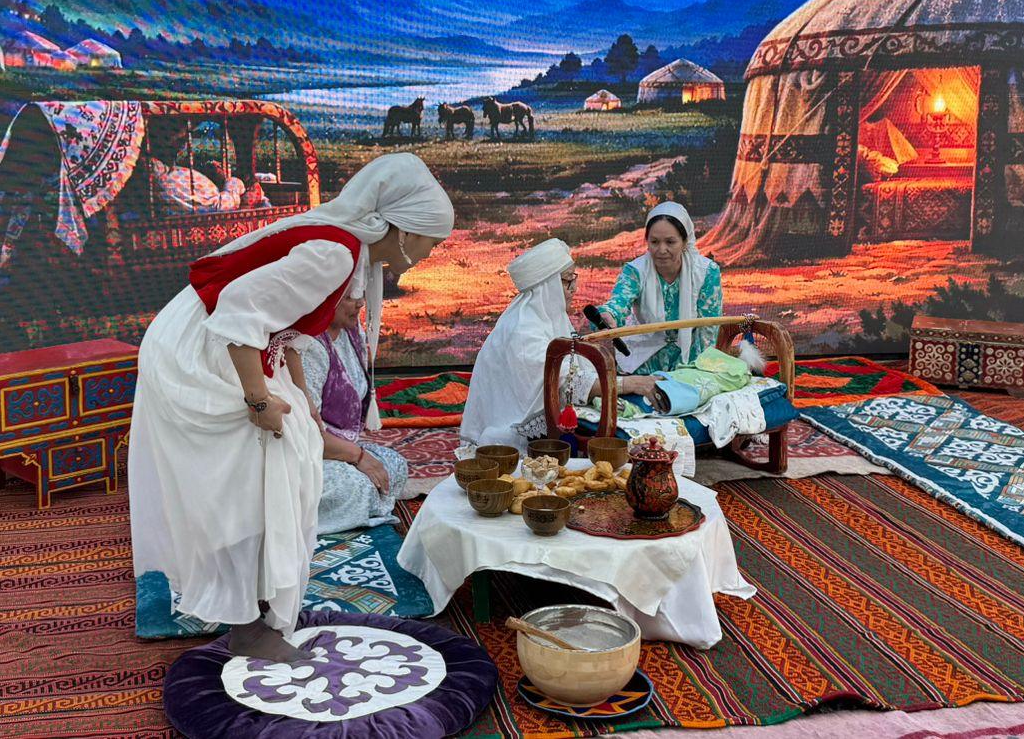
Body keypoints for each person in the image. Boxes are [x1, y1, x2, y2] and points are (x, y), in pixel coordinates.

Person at [127, 153, 453, 663]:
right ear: (406, 231)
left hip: (240, 346)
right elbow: (238, 314)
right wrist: (258, 401)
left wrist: (302, 399)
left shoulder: (348, 252)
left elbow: (292, 330)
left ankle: (254, 606)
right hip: (201, 351)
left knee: (291, 458)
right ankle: (246, 623)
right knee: (253, 479)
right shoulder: (335, 253)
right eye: (433, 241)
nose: (432, 252)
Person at [462, 239, 657, 450]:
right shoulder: (524, 329)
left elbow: (573, 371)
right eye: (567, 281)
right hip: (513, 440)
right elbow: (564, 383)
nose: (574, 288)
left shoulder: (549, 317)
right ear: (547, 286)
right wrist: (631, 384)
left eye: (574, 279)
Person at [299, 290, 411, 535]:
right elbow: (305, 434)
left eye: (360, 294)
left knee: (395, 464)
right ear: (326, 298)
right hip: (308, 453)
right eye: (349, 297)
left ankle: (363, 508)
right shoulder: (310, 347)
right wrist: (358, 457)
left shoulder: (351, 332)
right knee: (354, 486)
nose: (360, 303)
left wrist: (358, 456)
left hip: (341, 449)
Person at [596, 201, 724, 375]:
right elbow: (619, 303)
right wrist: (609, 314)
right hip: (643, 359)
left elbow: (708, 328)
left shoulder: (706, 272)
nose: (661, 250)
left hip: (691, 358)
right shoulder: (635, 271)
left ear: (685, 241)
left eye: (670, 242)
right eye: (654, 242)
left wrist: (695, 371)